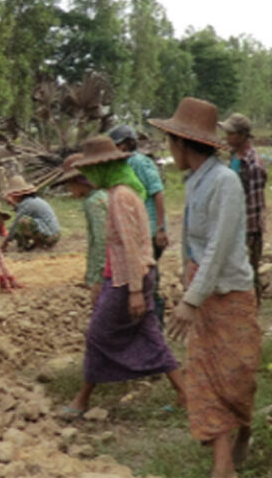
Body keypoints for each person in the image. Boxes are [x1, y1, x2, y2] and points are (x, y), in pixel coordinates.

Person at [150, 98, 260, 478]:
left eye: (170, 143)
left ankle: (243, 427)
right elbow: (191, 239)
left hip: (230, 293)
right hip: (202, 290)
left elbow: (219, 244)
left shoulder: (225, 182)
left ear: (182, 144)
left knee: (237, 375)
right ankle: (222, 466)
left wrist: (191, 299)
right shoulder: (195, 181)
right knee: (204, 375)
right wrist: (186, 275)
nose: (169, 149)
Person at [60, 136, 185, 419]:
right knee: (149, 332)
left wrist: (134, 291)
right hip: (140, 272)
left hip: (127, 278)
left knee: (97, 334)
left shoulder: (119, 198)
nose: (88, 177)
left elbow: (129, 245)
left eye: (91, 170)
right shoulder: (129, 191)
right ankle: (184, 393)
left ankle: (82, 399)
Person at [109, 124, 169, 327]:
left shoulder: (141, 163)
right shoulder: (122, 166)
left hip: (150, 230)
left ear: (126, 144)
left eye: (117, 145)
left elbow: (157, 192)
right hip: (137, 231)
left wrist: (160, 227)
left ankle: (154, 325)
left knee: (149, 281)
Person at [219, 112, 267, 304]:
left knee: (248, 272)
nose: (226, 137)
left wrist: (249, 233)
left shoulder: (253, 164)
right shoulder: (233, 157)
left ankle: (253, 309)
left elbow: (254, 203)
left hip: (248, 228)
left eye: (229, 134)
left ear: (241, 135)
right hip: (233, 224)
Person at [54, 153, 108, 307]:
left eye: (69, 184)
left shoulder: (94, 203)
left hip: (108, 276)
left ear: (79, 181)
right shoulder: (104, 195)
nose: (69, 189)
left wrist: (98, 279)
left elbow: (101, 242)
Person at [1, 175, 60, 251]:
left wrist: (4, 244)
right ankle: (26, 246)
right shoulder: (30, 201)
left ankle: (39, 245)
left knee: (23, 222)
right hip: (52, 233)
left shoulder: (27, 204)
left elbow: (15, 224)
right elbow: (20, 209)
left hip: (51, 235)